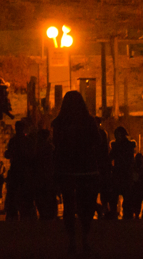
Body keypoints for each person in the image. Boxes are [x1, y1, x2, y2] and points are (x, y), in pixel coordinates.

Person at [53, 91, 107, 254]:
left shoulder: (59, 123)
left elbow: (56, 145)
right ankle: (85, 238)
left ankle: (71, 241)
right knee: (86, 206)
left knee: (69, 206)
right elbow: (98, 141)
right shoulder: (89, 121)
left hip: (67, 170)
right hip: (87, 169)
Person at [4, 120, 35, 219]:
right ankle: (26, 213)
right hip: (24, 170)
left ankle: (13, 213)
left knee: (14, 193)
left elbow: (9, 154)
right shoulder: (27, 141)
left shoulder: (14, 141)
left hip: (17, 170)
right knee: (24, 193)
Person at [110, 126, 137, 220]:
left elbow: (111, 157)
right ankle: (127, 213)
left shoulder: (118, 146)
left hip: (120, 172)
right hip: (124, 172)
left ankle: (116, 213)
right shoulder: (128, 146)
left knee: (117, 194)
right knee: (125, 194)